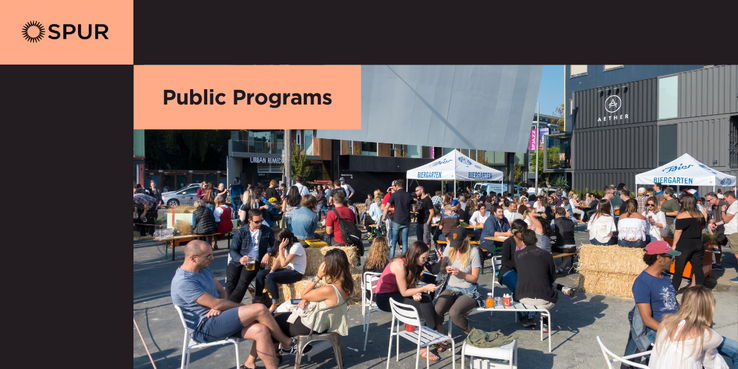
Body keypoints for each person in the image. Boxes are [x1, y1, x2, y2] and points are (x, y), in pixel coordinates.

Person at [171, 240, 297, 369]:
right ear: (192, 258)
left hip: (219, 318)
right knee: (259, 309)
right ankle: (287, 343)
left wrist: (219, 307)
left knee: (262, 330)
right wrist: (237, 307)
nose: (212, 258)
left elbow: (222, 293)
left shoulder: (203, 269)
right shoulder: (183, 281)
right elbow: (217, 303)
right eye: (208, 256)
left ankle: (259, 364)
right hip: (204, 328)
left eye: (212, 254)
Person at [270, 249, 353, 358]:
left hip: (311, 326)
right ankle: (279, 351)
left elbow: (303, 294)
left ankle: (285, 346)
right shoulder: (348, 284)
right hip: (327, 323)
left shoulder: (330, 289)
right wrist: (309, 298)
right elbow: (322, 296)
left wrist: (318, 276)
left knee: (271, 319)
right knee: (277, 320)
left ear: (331, 266)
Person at [375, 241, 441, 361]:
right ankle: (427, 340)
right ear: (415, 255)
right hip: (384, 298)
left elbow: (408, 285)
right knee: (421, 308)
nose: (425, 261)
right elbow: (404, 292)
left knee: (425, 299)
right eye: (423, 258)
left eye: (427, 258)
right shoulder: (400, 265)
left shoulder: (410, 262)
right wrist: (422, 288)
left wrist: (415, 291)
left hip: (396, 293)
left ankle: (431, 332)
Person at [621, 240, 681, 368]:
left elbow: (674, 303)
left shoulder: (665, 277)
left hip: (676, 326)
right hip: (660, 331)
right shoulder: (643, 282)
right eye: (670, 257)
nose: (673, 260)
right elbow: (647, 320)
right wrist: (672, 332)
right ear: (659, 258)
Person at [649, 286, 729, 369]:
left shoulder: (665, 323)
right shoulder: (710, 336)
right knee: (733, 351)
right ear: (708, 308)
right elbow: (710, 363)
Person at [435, 227, 482, 339]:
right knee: (437, 308)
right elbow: (441, 268)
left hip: (468, 289)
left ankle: (472, 338)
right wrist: (445, 269)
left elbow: (475, 278)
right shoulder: (449, 247)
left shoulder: (473, 251)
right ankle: (439, 335)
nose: (455, 247)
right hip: (450, 287)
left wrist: (460, 273)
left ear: (465, 240)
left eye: (458, 244)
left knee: (454, 312)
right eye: (453, 244)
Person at [225, 209, 276, 304]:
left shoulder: (266, 230)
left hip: (254, 260)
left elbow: (275, 245)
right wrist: (240, 258)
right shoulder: (241, 231)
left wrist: (268, 253)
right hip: (238, 259)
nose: (260, 223)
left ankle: (228, 305)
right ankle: (228, 305)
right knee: (230, 281)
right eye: (257, 222)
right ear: (249, 220)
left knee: (243, 281)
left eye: (261, 220)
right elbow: (232, 250)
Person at [513, 229, 558, 332]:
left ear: (523, 242)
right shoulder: (547, 254)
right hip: (544, 298)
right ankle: (546, 323)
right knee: (550, 290)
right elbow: (552, 277)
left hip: (522, 297)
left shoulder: (517, 255)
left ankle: (526, 318)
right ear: (536, 240)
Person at [254, 229, 307, 313]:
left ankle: (275, 302)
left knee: (270, 277)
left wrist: (281, 249)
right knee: (260, 273)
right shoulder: (286, 246)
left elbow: (283, 263)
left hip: (296, 273)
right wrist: (271, 270)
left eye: (278, 240)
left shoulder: (296, 246)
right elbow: (278, 260)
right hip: (288, 270)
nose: (277, 242)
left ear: (285, 240)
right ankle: (258, 299)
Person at [671, 193, 707, 291]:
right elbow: (703, 227)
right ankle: (700, 291)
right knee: (698, 268)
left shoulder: (681, 215)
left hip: (684, 244)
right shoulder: (699, 214)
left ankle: (673, 291)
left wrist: (674, 245)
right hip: (698, 243)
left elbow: (678, 231)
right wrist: (706, 215)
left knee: (678, 270)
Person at [383, 179, 414, 258]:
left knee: (393, 241)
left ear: (397, 186)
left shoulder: (394, 195)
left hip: (397, 220)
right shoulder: (409, 195)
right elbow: (414, 209)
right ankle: (404, 259)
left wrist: (383, 218)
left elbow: (386, 207)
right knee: (404, 241)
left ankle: (390, 258)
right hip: (406, 220)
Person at [712, 191, 737, 283]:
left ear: (729, 196)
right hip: (732, 232)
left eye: (725, 198)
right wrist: (715, 223)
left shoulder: (733, 205)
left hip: (734, 232)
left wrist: (723, 210)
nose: (725, 200)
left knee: (737, 254)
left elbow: (726, 219)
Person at [705, 192, 728, 271]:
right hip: (719, 227)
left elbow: (727, 219)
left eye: (709, 200)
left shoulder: (724, 204)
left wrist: (715, 223)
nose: (708, 202)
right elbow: (716, 218)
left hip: (728, 228)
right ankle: (718, 264)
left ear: (714, 198)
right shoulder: (713, 206)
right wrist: (712, 222)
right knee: (716, 244)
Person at [553, 207, 577, 272]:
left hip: (561, 247)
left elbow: (550, 229)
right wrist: (569, 216)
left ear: (557, 214)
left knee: (547, 249)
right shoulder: (571, 220)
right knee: (569, 249)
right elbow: (576, 221)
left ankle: (555, 267)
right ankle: (562, 266)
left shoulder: (554, 221)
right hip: (572, 247)